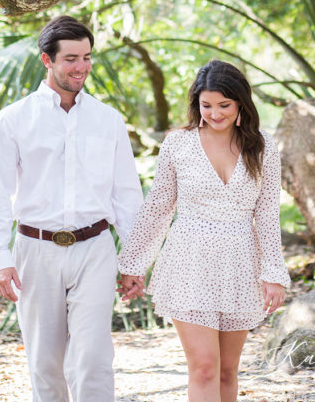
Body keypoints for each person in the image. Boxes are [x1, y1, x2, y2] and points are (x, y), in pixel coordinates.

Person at [0, 14, 144, 402]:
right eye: (71, 58)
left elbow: (126, 194)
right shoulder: (13, 120)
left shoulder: (109, 120)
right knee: (45, 362)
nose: (82, 67)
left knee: (92, 358)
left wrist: (134, 260)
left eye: (87, 57)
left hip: (95, 248)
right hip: (35, 252)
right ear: (46, 60)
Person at [118, 59, 290, 402]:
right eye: (206, 105)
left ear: (241, 102)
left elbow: (268, 214)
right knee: (205, 368)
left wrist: (274, 272)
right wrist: (133, 265)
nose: (214, 113)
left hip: (241, 263)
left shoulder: (263, 147)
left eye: (224, 105)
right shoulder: (177, 144)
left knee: (228, 371)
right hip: (189, 263)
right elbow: (158, 208)